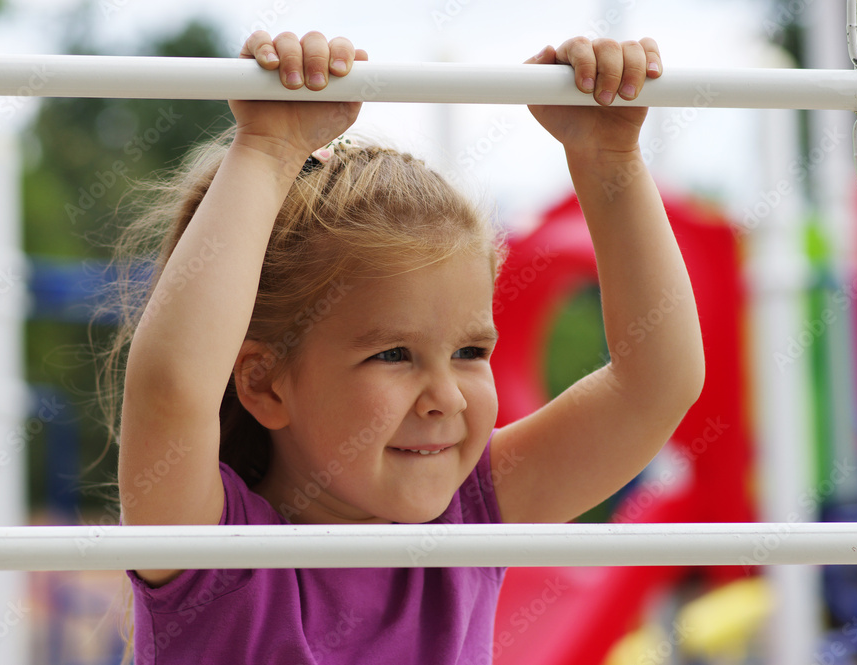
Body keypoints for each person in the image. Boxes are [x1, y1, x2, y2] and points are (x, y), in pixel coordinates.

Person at [110, 29, 704, 665]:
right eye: (393, 354)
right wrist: (267, 150)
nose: (445, 396)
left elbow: (653, 386)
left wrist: (609, 158)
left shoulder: (468, 518)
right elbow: (173, 389)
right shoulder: (210, 557)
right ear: (263, 383)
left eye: (472, 352)